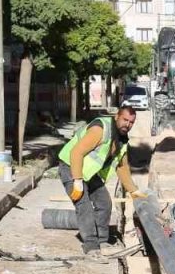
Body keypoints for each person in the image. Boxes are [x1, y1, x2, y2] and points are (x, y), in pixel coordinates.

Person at [57, 106, 145, 256]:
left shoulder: (122, 141)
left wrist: (133, 190)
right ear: (117, 116)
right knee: (83, 205)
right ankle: (91, 246)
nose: (127, 124)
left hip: (88, 173)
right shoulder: (100, 129)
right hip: (71, 167)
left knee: (104, 203)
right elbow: (76, 152)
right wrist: (77, 180)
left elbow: (122, 167)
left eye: (131, 122)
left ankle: (102, 240)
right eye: (125, 120)